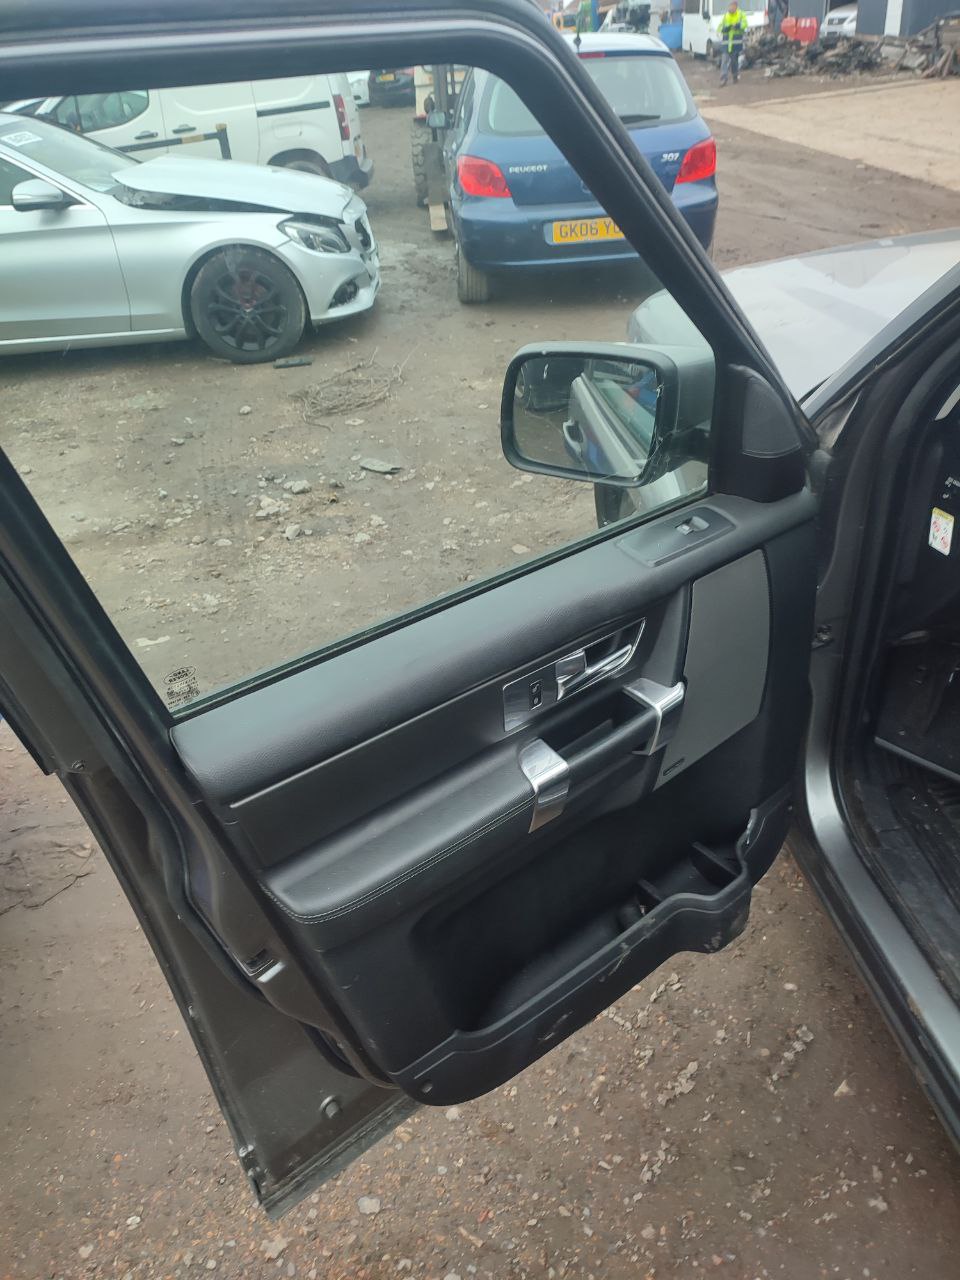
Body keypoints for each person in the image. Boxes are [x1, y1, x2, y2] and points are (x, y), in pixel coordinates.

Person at [719, 0, 750, 86]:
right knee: (724, 61)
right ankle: (723, 79)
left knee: (734, 62)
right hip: (726, 44)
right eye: (730, 6)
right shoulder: (726, 16)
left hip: (735, 44)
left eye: (733, 6)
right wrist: (725, 28)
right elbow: (720, 27)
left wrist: (738, 25)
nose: (731, 7)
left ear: (736, 6)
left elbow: (745, 24)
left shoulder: (741, 15)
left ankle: (735, 76)